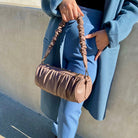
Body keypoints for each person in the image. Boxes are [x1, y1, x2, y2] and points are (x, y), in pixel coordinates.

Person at [41, 0, 138, 137]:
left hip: (90, 46)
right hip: (59, 32)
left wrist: (112, 33)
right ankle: (59, 128)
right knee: (54, 88)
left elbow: (134, 6)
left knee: (71, 105)